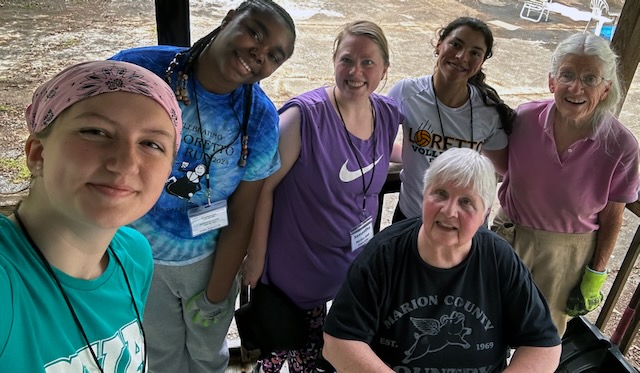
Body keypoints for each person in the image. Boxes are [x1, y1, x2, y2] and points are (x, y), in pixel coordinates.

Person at [109, 1, 296, 372]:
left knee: (207, 356)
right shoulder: (142, 69)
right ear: (229, 19)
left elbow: (243, 212)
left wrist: (214, 294)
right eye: (255, 32)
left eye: (274, 55)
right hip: (136, 252)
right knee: (159, 354)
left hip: (207, 261)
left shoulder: (259, 119)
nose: (258, 54)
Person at [242, 20, 403, 373]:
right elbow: (262, 187)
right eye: (347, 60)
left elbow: (375, 152)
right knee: (289, 348)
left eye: (368, 63)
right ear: (333, 62)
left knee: (331, 344)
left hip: (348, 262)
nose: (355, 72)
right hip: (296, 267)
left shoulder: (388, 113)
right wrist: (255, 257)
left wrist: (435, 157)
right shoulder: (304, 118)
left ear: (385, 71)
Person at [0, 60, 182, 372]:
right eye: (95, 132)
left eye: (151, 144)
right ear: (37, 154)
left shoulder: (134, 255)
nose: (124, 163)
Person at [323, 148, 562, 372]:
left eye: (466, 202)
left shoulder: (499, 258)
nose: (449, 211)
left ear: (484, 215)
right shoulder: (383, 253)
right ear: (424, 196)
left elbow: (544, 346)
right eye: (440, 193)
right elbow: (337, 342)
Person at [492, 32, 640, 336]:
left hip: (565, 254)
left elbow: (613, 217)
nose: (576, 87)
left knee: (542, 334)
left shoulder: (622, 145)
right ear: (552, 82)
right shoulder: (524, 118)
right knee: (490, 316)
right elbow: (501, 166)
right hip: (508, 234)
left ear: (605, 88)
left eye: (590, 78)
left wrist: (595, 273)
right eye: (567, 75)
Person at [387, 17, 514, 222]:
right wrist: (409, 154)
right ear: (439, 45)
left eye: (475, 53)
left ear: (482, 61)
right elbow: (377, 144)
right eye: (456, 44)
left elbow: (503, 167)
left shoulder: (488, 110)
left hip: (463, 225)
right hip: (412, 219)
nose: (462, 57)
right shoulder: (406, 93)